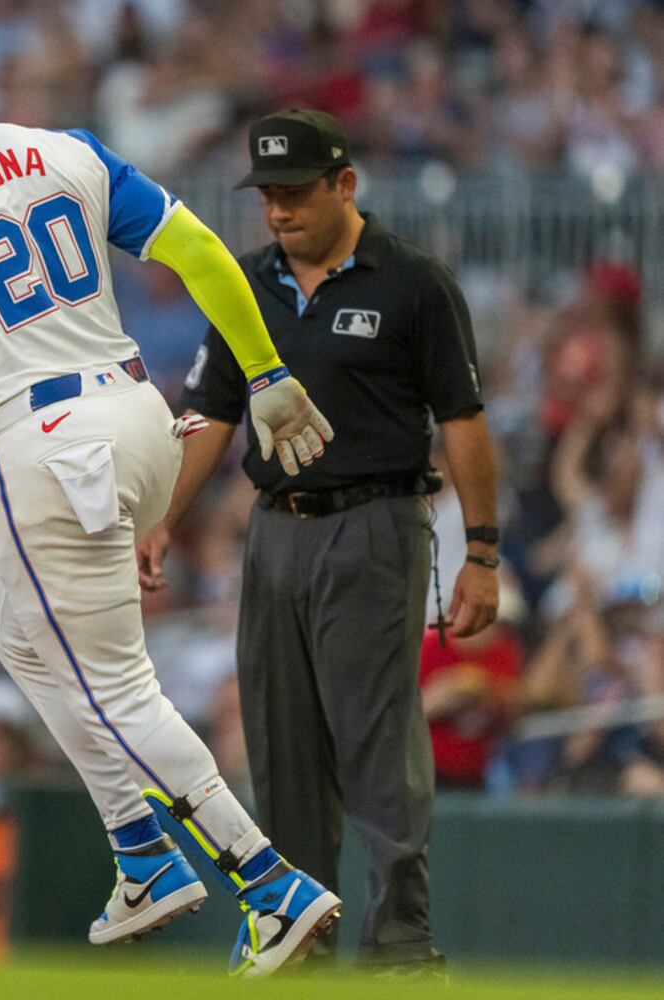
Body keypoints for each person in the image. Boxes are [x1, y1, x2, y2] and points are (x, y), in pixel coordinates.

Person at [0, 34, 339, 976]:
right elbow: (200, 250)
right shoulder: (66, 147)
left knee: (118, 689)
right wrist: (264, 371)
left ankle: (271, 888)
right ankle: (140, 851)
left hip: (43, 448)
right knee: (14, 630)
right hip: (139, 418)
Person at [161, 109, 501, 974]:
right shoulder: (245, 283)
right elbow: (210, 413)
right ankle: (295, 938)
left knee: (376, 740)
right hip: (275, 527)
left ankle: (398, 945)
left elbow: (462, 420)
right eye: (266, 195)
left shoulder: (412, 282)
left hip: (374, 523)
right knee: (281, 744)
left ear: (343, 184)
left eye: (293, 192)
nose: (277, 210)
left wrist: (482, 553)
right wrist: (161, 520)